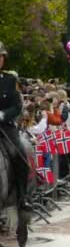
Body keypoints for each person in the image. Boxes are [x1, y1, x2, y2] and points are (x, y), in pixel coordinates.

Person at [0, 41, 31, 210]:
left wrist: (3, 114)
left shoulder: (9, 80)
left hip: (4, 126)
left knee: (20, 155)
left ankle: (22, 198)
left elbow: (17, 106)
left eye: (1, 57)